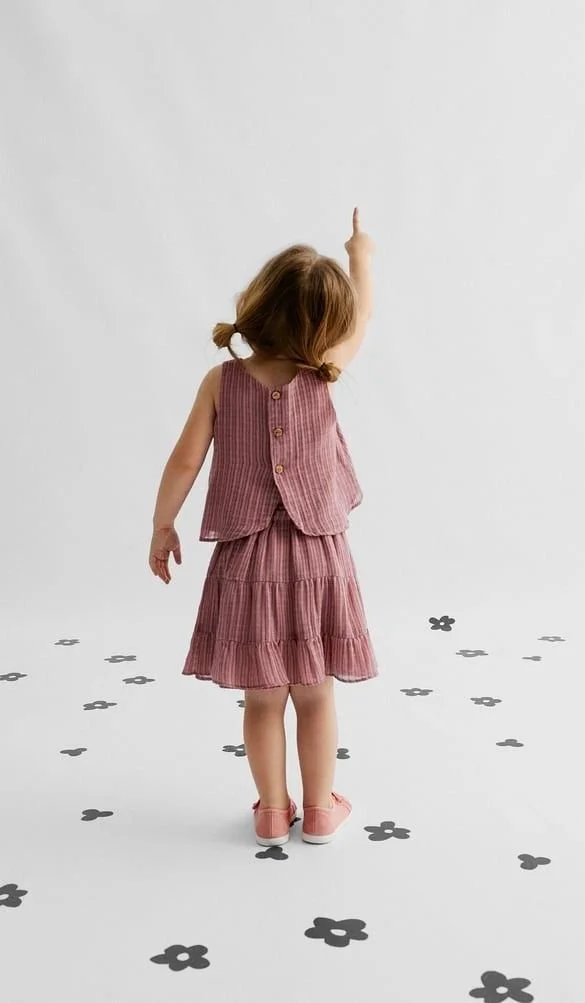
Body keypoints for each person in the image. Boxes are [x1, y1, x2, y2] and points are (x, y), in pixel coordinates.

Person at [148, 207, 378, 848]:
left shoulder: (221, 382)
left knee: (261, 700)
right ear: (323, 326)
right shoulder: (325, 371)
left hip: (246, 563)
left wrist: (162, 526)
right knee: (316, 696)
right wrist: (361, 255)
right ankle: (322, 810)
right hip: (317, 559)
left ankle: (272, 813)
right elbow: (364, 316)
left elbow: (185, 459)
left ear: (257, 304)